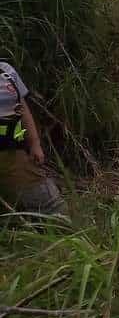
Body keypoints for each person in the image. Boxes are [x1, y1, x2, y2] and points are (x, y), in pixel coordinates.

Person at [0, 62, 66, 215]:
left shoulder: (7, 71)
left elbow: (22, 109)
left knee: (55, 210)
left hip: (13, 154)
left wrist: (35, 144)